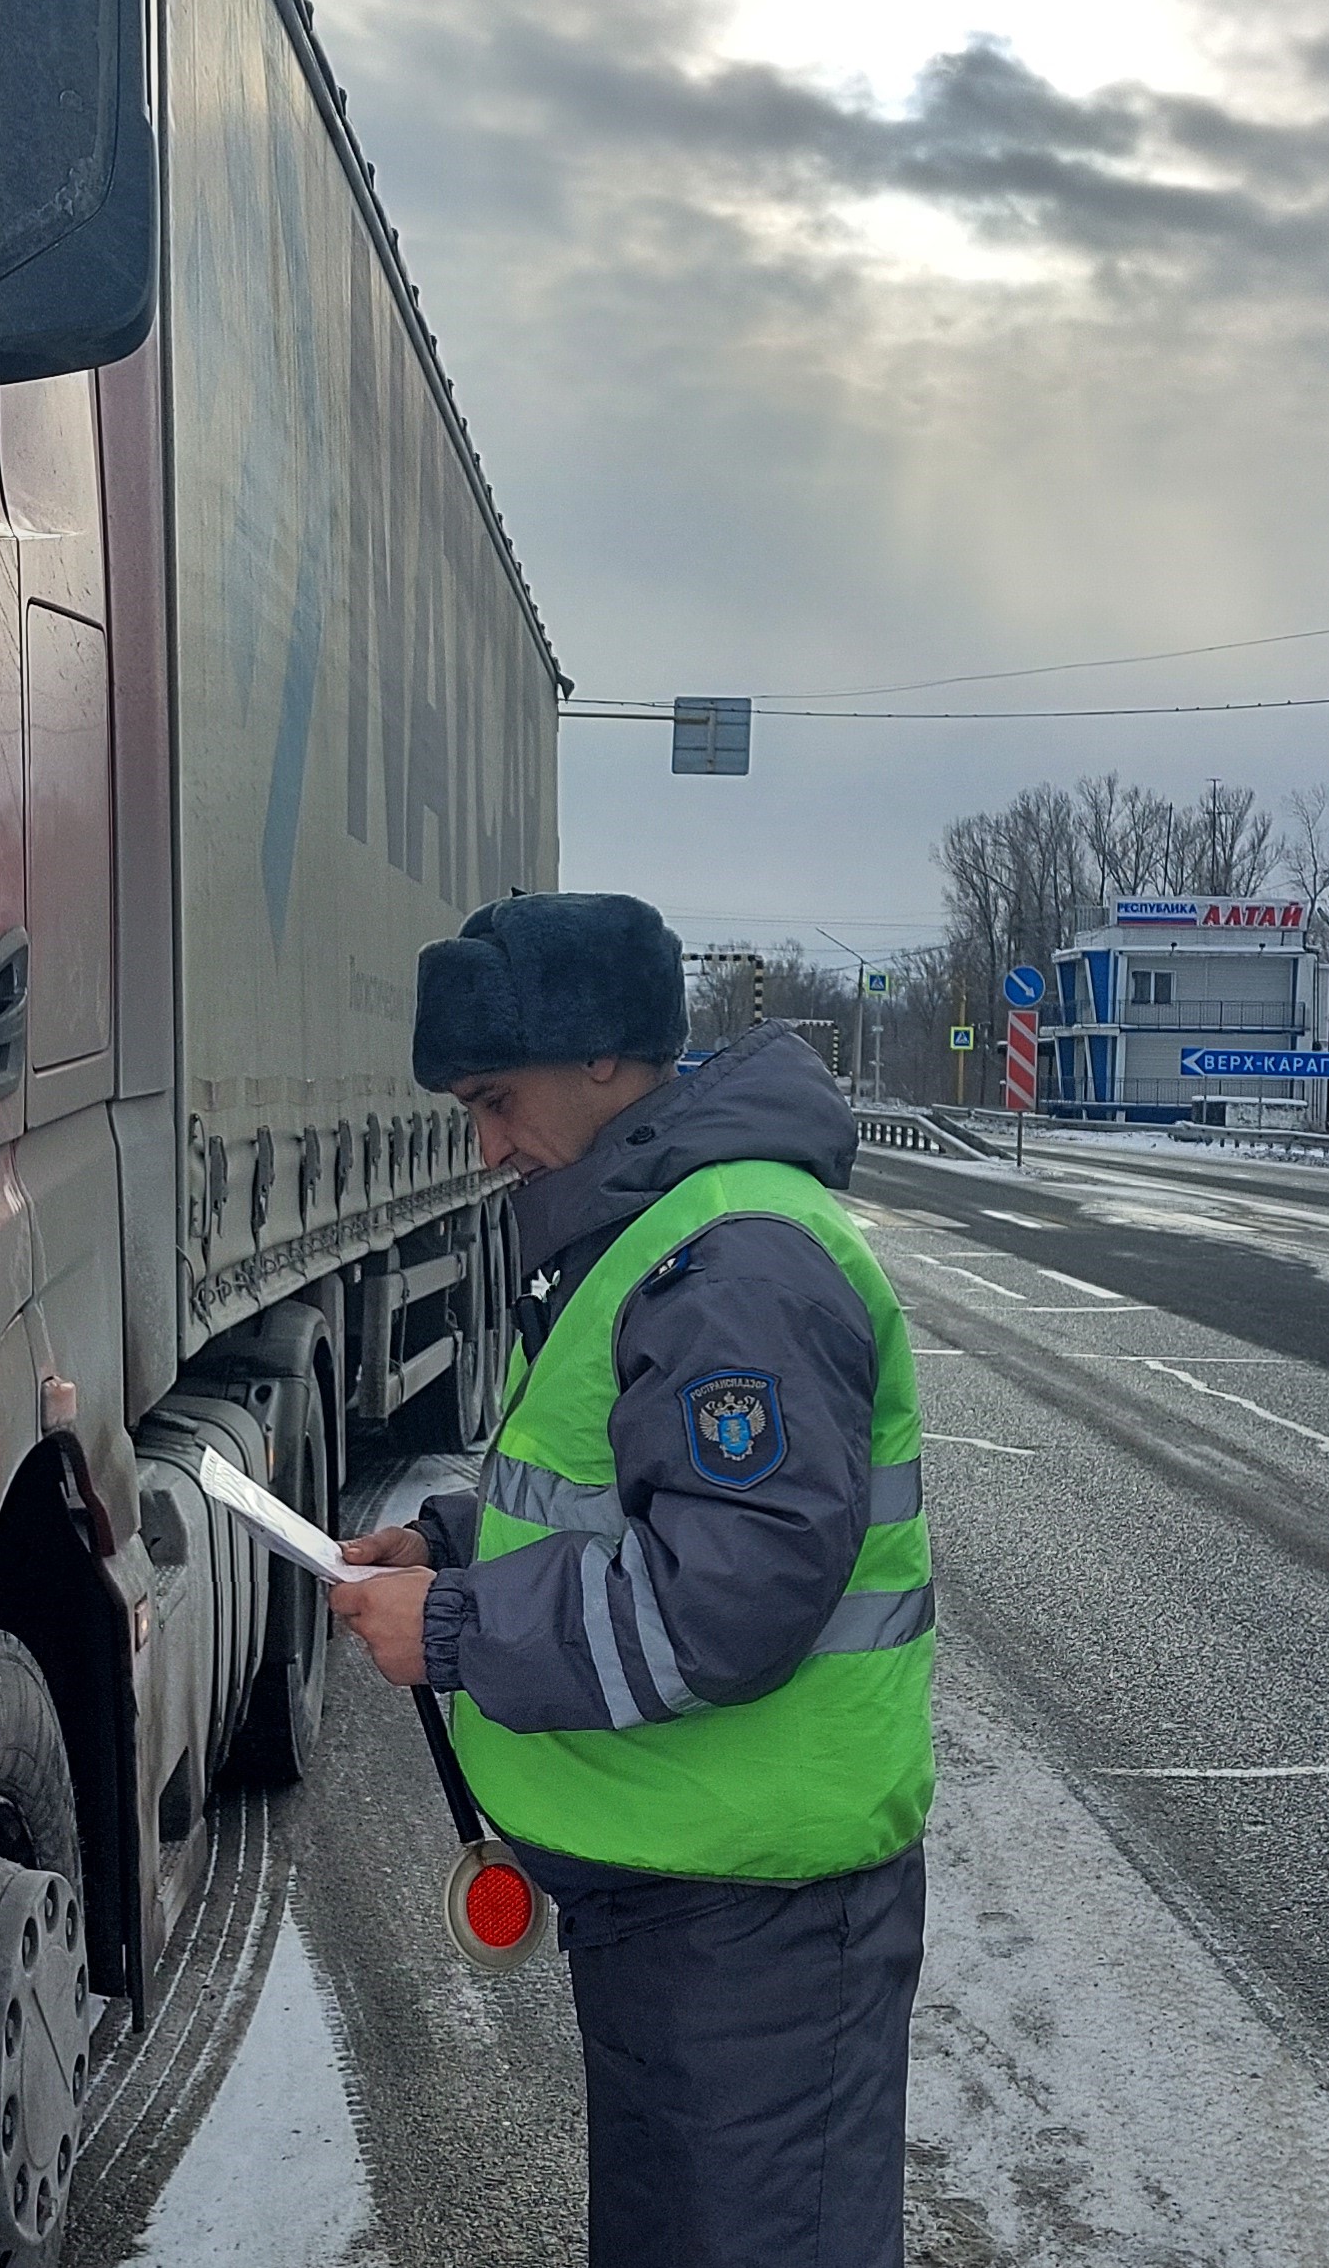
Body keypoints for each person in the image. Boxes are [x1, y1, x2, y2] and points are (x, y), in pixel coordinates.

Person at [329, 890, 934, 2268]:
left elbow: (731, 1596)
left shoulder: (734, 1262)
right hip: (697, 1909)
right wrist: (462, 1552)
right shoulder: (669, 1237)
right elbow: (652, 1511)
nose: (486, 1148)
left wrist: (465, 1627)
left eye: (494, 1098)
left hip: (762, 1925)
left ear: (603, 1056)